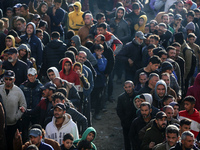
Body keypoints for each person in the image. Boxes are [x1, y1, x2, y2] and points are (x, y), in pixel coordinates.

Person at [0, 70, 27, 150]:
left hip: (13, 124)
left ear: (14, 80)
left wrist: (17, 116)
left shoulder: (18, 91)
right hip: (1, 125)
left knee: (12, 145)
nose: (8, 81)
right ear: (4, 79)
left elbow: (23, 105)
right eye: (6, 79)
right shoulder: (0, 89)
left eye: (10, 79)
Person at [19, 68, 43, 142]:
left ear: (36, 75)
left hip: (36, 112)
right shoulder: (22, 86)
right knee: (24, 132)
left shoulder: (40, 86)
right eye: (29, 75)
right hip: (25, 113)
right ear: (27, 76)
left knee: (36, 130)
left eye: (32, 75)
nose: (31, 77)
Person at [117, 80, 137, 150]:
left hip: (136, 122)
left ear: (133, 87)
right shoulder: (121, 98)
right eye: (126, 87)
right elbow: (119, 111)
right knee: (127, 140)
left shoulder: (138, 96)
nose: (128, 89)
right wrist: (124, 120)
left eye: (129, 87)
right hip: (126, 123)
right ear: (124, 88)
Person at [91, 44, 107, 120]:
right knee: (91, 96)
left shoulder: (104, 59)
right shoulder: (91, 58)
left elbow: (102, 69)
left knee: (98, 97)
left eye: (100, 50)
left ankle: (96, 112)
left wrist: (100, 60)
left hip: (100, 80)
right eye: (97, 50)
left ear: (102, 51)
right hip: (92, 80)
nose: (98, 52)